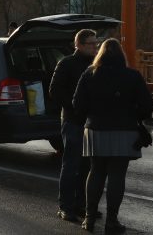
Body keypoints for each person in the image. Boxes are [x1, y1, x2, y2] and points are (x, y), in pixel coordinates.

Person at [73, 39, 153, 233]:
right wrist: (134, 114)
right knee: (117, 175)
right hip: (124, 131)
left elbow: (78, 104)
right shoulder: (132, 76)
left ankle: (89, 218)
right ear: (121, 56)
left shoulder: (89, 73)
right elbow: (147, 105)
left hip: (95, 130)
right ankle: (111, 221)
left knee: (95, 172)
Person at [49, 29, 98, 223]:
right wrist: (74, 106)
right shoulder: (67, 63)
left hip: (91, 122)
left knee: (88, 166)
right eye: (91, 44)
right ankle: (65, 207)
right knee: (71, 165)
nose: (95, 47)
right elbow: (54, 90)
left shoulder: (96, 65)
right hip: (73, 120)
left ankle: (81, 205)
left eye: (96, 43)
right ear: (78, 45)